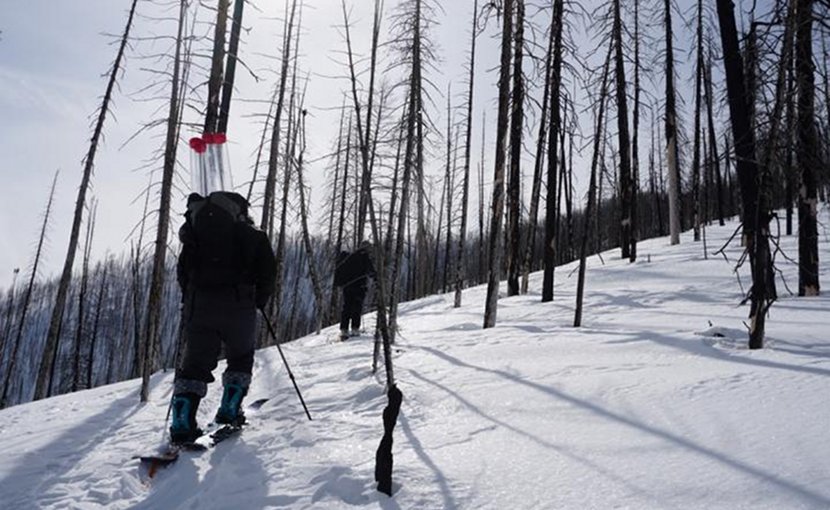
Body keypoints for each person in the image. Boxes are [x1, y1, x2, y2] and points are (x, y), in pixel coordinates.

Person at [169, 190, 276, 444]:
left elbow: (183, 272)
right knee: (240, 357)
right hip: (240, 305)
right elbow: (268, 272)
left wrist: (192, 298)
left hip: (200, 306)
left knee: (195, 364)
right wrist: (259, 300)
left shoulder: (195, 234)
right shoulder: (252, 235)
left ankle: (182, 420)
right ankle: (230, 409)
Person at [333, 241, 376, 341]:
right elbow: (371, 272)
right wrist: (377, 279)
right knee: (357, 307)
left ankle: (344, 329)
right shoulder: (365, 257)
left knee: (346, 307)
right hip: (359, 287)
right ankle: (355, 329)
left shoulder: (349, 257)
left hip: (347, 287)